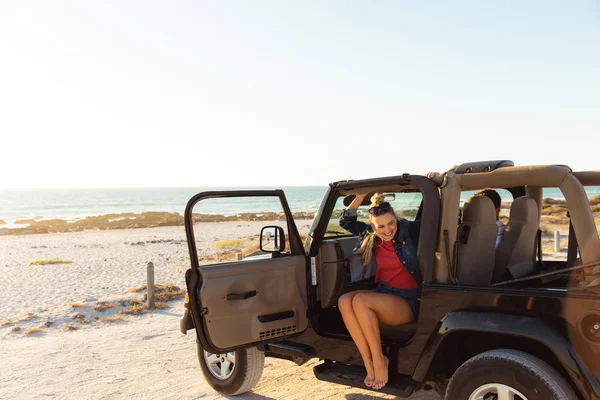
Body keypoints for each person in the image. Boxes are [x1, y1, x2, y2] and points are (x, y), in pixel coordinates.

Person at [337, 192, 421, 391]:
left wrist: (436, 185)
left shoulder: (409, 230)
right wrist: (360, 196)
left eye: (391, 223)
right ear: (373, 227)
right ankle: (368, 362)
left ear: (396, 219)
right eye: (381, 226)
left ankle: (379, 360)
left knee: (360, 301)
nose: (387, 229)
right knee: (343, 300)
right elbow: (345, 221)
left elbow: (438, 217)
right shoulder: (370, 235)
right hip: (384, 292)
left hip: (407, 298)